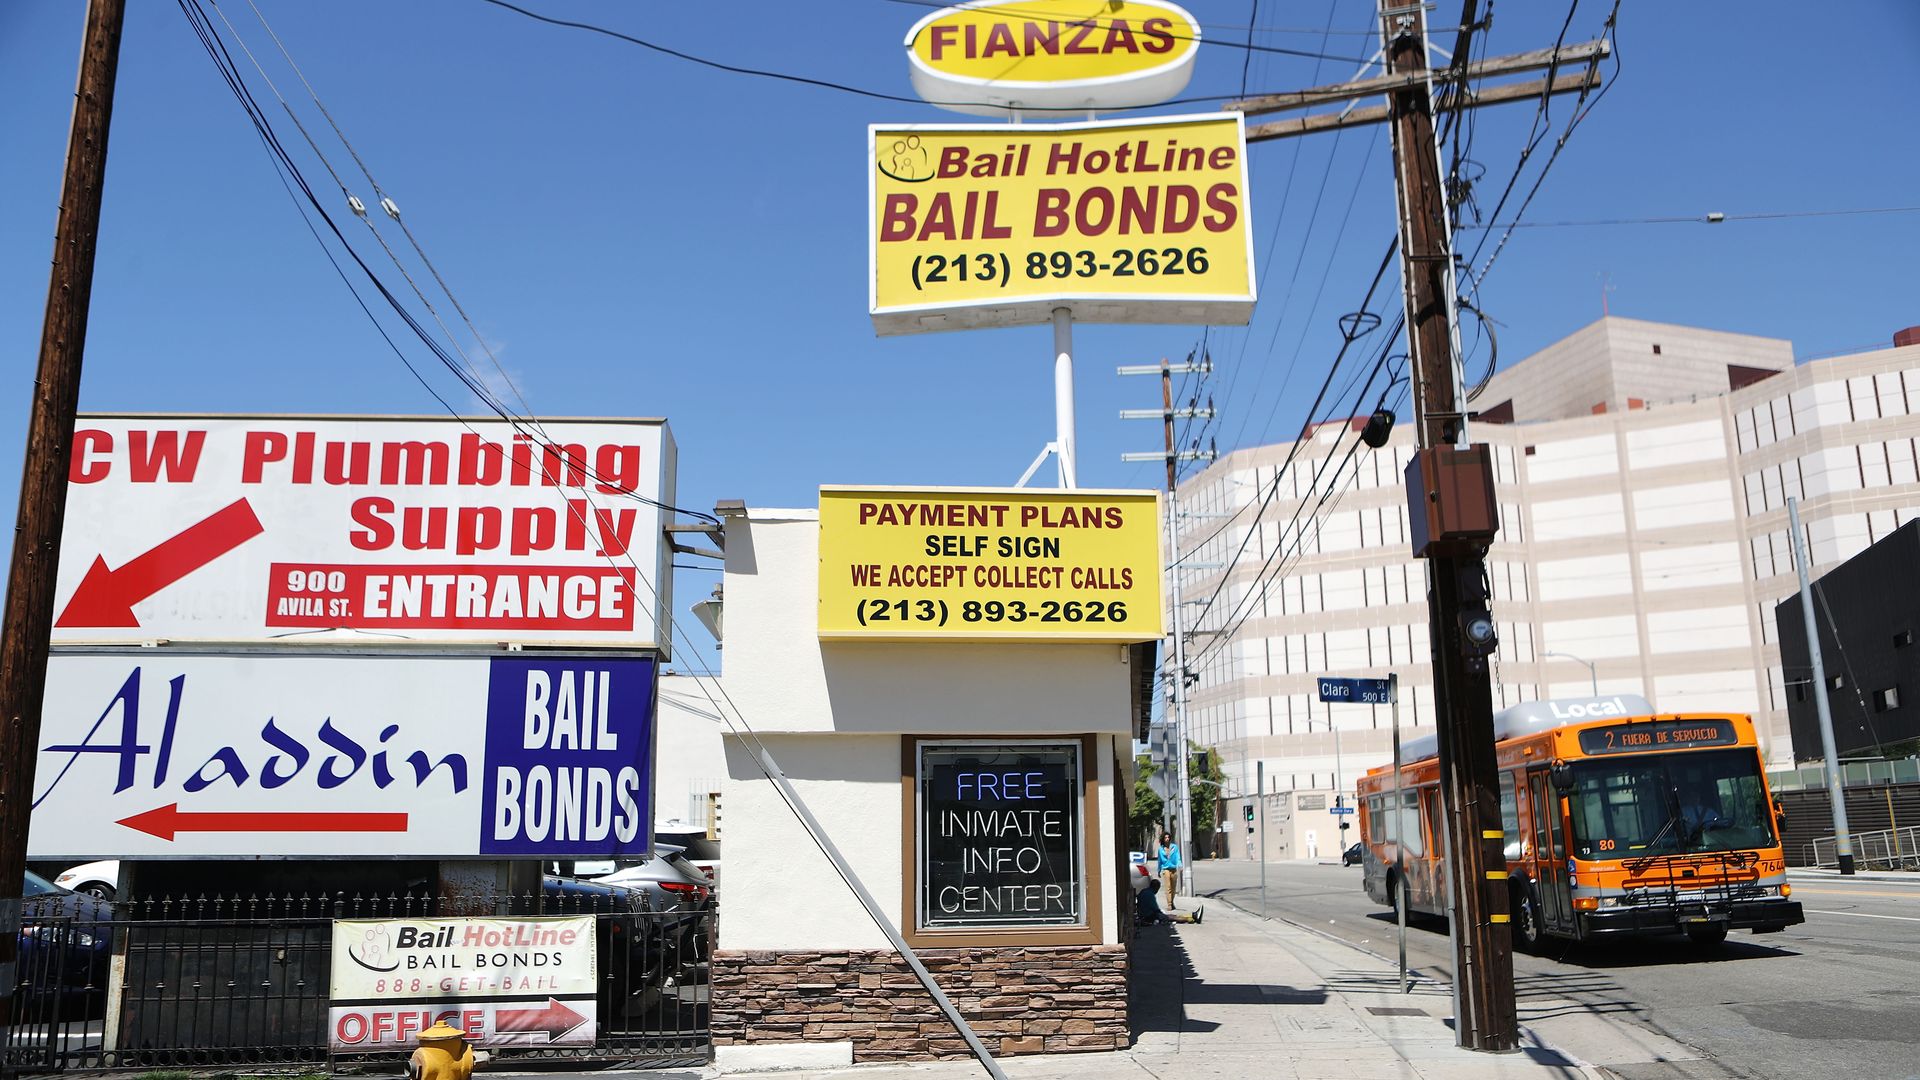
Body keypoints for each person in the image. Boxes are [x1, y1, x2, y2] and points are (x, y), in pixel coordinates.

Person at [1135, 878, 1201, 926]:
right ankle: (1191, 919)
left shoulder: (1144, 891)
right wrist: (1162, 914)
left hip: (1143, 914)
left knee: (1171, 915)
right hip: (1148, 916)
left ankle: (1192, 915)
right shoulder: (1150, 895)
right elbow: (1155, 908)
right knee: (1172, 917)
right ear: (1156, 887)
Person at [1156, 831, 1182, 908]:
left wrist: (1180, 865)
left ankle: (1172, 901)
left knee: (1173, 888)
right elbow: (1159, 860)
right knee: (1168, 887)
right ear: (1163, 839)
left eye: (1168, 837)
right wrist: (1159, 870)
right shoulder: (1160, 849)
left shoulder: (1174, 847)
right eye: (1165, 838)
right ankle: (1169, 904)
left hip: (1173, 869)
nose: (1167, 839)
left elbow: (1178, 857)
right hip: (1165, 869)